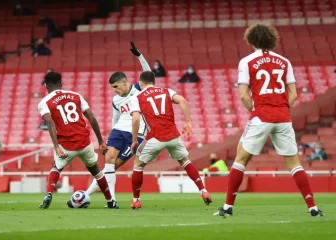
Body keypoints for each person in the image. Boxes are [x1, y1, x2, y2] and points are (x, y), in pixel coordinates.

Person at [213, 23, 323, 217]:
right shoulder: (284, 62)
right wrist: (280, 108)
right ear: (272, 39)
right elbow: (294, 94)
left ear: (250, 40)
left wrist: (255, 110)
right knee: (294, 164)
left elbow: (244, 96)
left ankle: (228, 208)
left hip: (261, 115)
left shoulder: (246, 62)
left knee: (241, 159)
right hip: (283, 117)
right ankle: (313, 208)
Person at [129, 71, 212, 209]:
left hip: (154, 137)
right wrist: (188, 122)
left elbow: (136, 118)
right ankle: (203, 191)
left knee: (138, 165)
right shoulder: (167, 91)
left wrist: (134, 140)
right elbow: (183, 101)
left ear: (140, 83)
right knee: (185, 161)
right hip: (173, 136)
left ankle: (136, 200)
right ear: (154, 82)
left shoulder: (137, 96)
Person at [79, 42, 149, 204]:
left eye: (116, 86)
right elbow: (115, 118)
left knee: (113, 166)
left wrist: (139, 56)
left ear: (125, 82)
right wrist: (108, 137)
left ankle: (87, 194)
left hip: (136, 134)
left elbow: (148, 73)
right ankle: (112, 200)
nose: (115, 90)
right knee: (109, 160)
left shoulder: (139, 89)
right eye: (112, 88)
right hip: (118, 131)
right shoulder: (116, 100)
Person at [37, 71, 118, 209]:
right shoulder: (76, 96)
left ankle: (49, 194)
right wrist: (100, 141)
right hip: (84, 143)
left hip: (66, 145)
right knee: (97, 172)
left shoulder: (44, 102)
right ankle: (110, 201)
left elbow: (49, 123)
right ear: (61, 84)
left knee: (56, 168)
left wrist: (56, 146)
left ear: (47, 86)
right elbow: (91, 118)